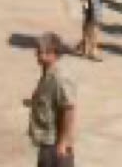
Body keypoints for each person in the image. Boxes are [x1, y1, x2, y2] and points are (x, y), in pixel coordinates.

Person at [25, 30, 76, 165]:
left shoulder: (59, 78)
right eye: (39, 51)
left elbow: (69, 110)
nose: (39, 55)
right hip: (47, 141)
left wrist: (63, 143)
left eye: (45, 52)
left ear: (55, 54)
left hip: (55, 145)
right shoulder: (47, 73)